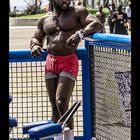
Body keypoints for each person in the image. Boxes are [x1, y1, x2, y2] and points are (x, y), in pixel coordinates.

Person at [29, 0, 102, 139]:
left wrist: (80, 33)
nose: (65, 1)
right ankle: (58, 138)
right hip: (50, 62)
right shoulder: (45, 19)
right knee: (54, 105)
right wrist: (34, 46)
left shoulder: (77, 12)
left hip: (68, 61)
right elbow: (36, 37)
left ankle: (69, 137)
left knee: (61, 101)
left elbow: (97, 24)